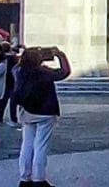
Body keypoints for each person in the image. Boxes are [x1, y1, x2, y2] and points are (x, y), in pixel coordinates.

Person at [13, 45, 71, 187]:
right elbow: (64, 72)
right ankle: (39, 178)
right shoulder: (43, 72)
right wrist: (60, 55)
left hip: (27, 111)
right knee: (41, 145)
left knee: (27, 144)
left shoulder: (19, 71)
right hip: (45, 112)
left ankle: (24, 178)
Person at [0, 41, 20, 128]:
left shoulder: (0, 58)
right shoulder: (14, 58)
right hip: (13, 82)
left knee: (2, 102)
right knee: (13, 103)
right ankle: (13, 120)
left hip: (3, 82)